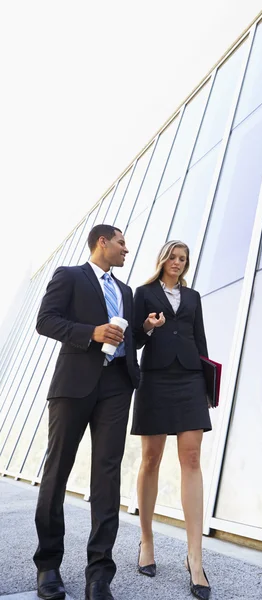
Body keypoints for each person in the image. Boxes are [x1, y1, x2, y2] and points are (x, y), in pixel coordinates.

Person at [33, 224, 140, 600]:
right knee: (57, 470)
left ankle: (99, 576)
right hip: (74, 385)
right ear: (103, 242)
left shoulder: (125, 291)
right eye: (122, 242)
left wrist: (145, 328)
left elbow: (127, 336)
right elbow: (45, 321)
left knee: (107, 478)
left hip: (117, 387)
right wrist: (90, 332)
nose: (127, 249)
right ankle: (48, 566)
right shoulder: (70, 276)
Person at [131, 240, 212, 600]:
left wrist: (209, 387)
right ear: (163, 260)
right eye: (173, 257)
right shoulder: (143, 293)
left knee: (192, 459)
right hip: (155, 380)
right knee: (151, 460)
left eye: (183, 259)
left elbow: (200, 339)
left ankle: (195, 558)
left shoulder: (193, 297)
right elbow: (132, 340)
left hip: (191, 379)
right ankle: (146, 541)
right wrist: (148, 326)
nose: (178, 263)